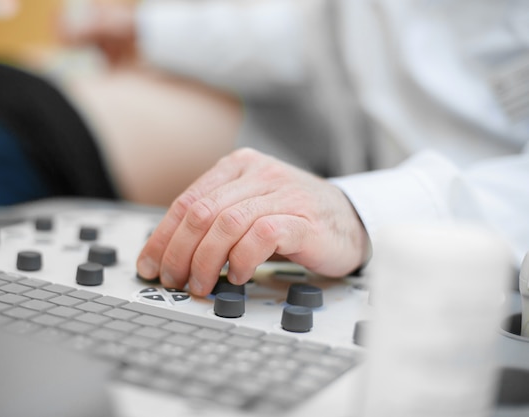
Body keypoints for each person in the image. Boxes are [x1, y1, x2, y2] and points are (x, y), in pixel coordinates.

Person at [63, 0, 529, 295]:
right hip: (370, 210)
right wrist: (150, 30)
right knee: (30, 106)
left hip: (485, 257)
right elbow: (324, 27)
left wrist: (360, 213)